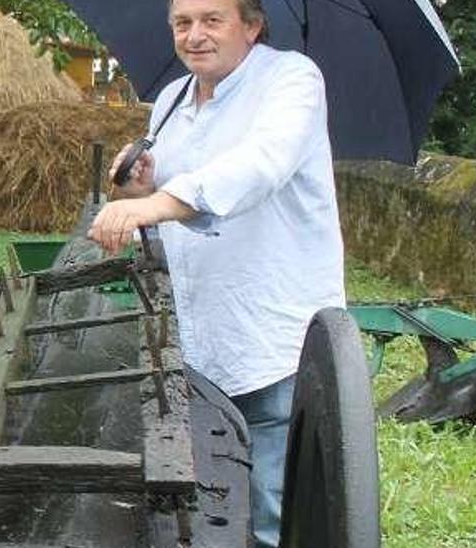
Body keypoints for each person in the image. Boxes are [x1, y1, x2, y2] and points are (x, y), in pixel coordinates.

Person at [87, 0, 344, 546]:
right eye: (182, 23)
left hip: (268, 329)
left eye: (212, 20)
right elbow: (172, 193)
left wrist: (154, 206)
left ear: (251, 26)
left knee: (268, 501)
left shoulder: (291, 80)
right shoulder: (175, 100)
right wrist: (143, 188)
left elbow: (261, 164)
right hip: (197, 328)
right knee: (209, 481)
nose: (194, 35)